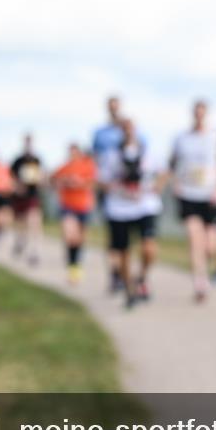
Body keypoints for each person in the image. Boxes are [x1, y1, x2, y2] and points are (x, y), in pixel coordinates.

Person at [99, 118, 167, 309]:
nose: (129, 132)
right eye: (125, 129)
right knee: (123, 252)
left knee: (149, 249)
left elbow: (163, 172)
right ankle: (129, 289)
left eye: (131, 128)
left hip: (145, 205)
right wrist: (118, 187)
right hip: (119, 208)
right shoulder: (112, 155)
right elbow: (102, 180)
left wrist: (156, 187)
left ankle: (142, 278)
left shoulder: (148, 152)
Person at [169, 99, 216, 302]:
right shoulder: (182, 138)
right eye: (196, 112)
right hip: (188, 194)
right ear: (193, 113)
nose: (199, 115)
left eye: (203, 112)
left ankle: (204, 268)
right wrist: (175, 182)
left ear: (206, 114)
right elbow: (173, 162)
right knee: (195, 239)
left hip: (210, 195)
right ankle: (199, 281)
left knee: (210, 246)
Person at [93, 95, 147, 293]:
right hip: (111, 190)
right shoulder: (100, 133)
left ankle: (131, 275)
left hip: (133, 195)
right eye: (111, 106)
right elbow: (96, 159)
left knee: (138, 239)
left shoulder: (136, 134)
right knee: (115, 238)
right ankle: (115, 273)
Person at [51, 143, 97, 285]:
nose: (72, 155)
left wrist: (79, 182)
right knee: (70, 235)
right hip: (67, 205)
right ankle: (72, 267)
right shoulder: (64, 167)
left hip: (83, 206)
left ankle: (77, 263)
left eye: (75, 152)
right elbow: (52, 179)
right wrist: (62, 182)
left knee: (80, 239)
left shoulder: (88, 165)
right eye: (70, 152)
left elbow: (94, 183)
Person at [10, 133, 44, 265]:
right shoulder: (18, 160)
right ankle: (20, 240)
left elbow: (40, 176)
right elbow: (11, 177)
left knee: (34, 223)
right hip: (20, 198)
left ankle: (34, 251)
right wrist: (17, 186)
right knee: (21, 223)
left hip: (32, 196)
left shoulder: (36, 160)